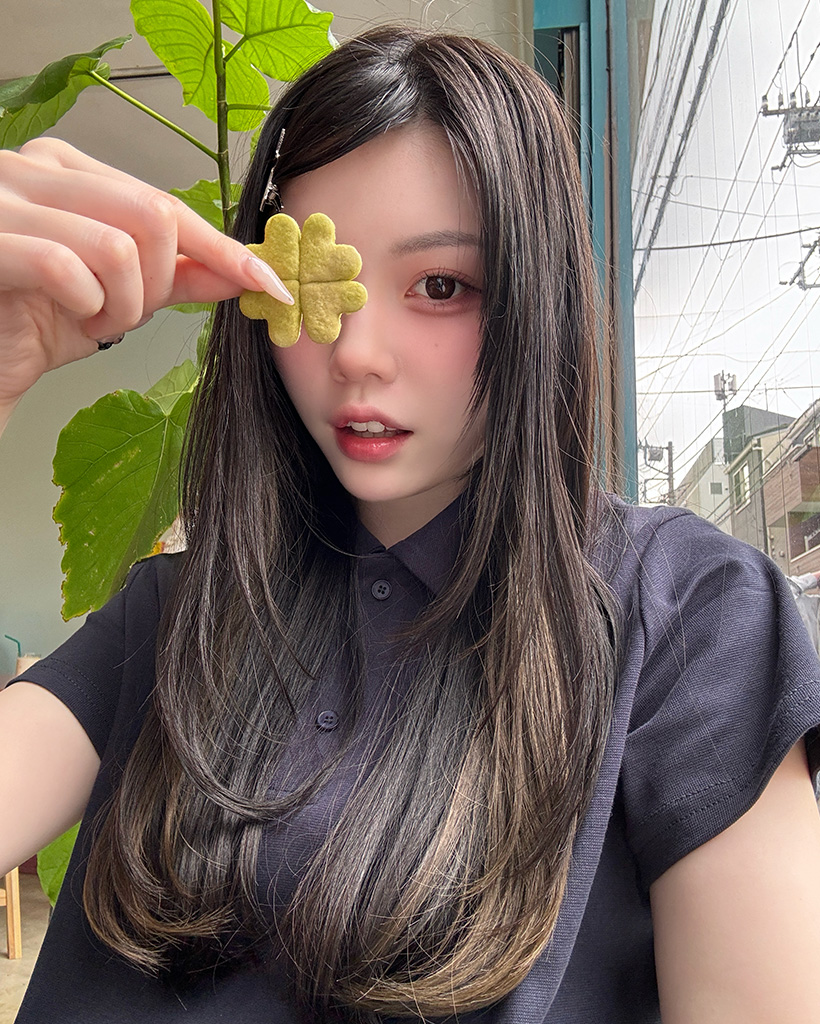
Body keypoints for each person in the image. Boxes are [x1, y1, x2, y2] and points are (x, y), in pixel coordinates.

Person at [1, 25, 820, 1024]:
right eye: (312, 283)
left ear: (537, 302)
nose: (356, 354)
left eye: (440, 287)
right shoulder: (181, 611)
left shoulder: (686, 620)